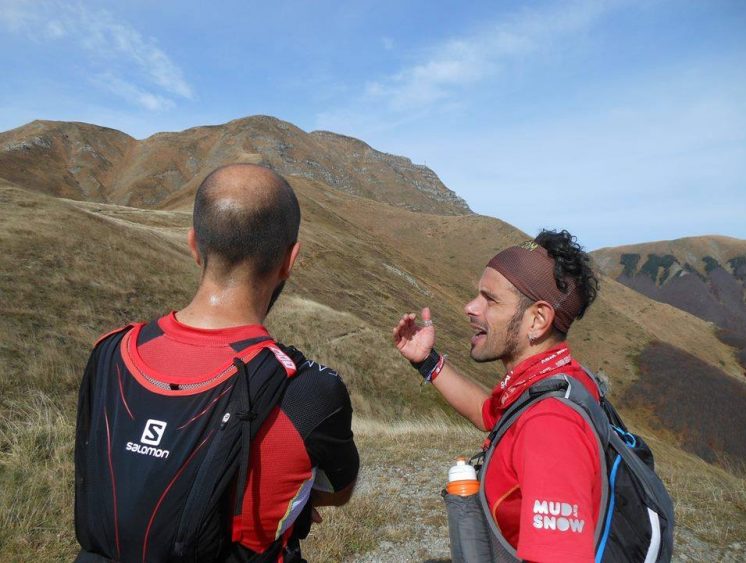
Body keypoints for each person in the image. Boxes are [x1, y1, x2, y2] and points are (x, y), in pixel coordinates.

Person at [75, 164, 359, 562]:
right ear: (289, 261)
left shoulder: (110, 352)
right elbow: (339, 490)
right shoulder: (310, 391)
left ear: (194, 245)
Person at [393, 230, 600, 563]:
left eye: (490, 299)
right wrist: (428, 362)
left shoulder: (550, 426)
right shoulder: (552, 381)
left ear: (538, 319)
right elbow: (489, 414)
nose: (470, 307)